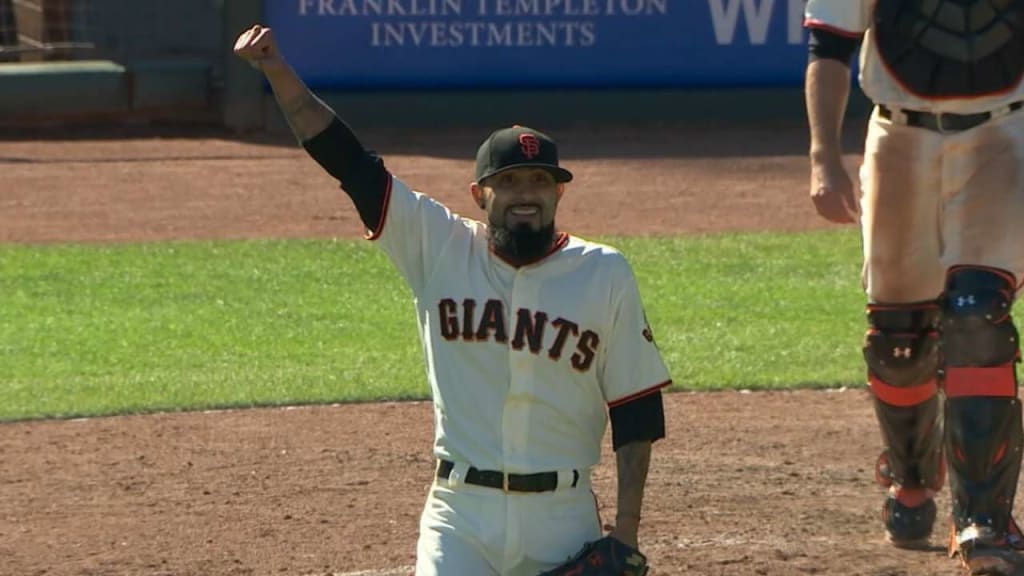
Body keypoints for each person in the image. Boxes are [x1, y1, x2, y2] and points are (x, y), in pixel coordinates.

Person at [232, 24, 671, 576]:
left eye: (539, 180)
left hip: (563, 518)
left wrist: (625, 533)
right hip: (460, 516)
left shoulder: (603, 272)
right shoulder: (438, 246)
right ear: (479, 194)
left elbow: (636, 408)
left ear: (559, 191)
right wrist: (278, 72)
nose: (525, 195)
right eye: (509, 182)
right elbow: (350, 163)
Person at [803, 1, 1024, 573]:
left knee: (977, 316)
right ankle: (912, 476)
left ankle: (985, 521)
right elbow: (829, 46)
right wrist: (823, 156)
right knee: (898, 342)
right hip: (899, 138)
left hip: (1006, 132)